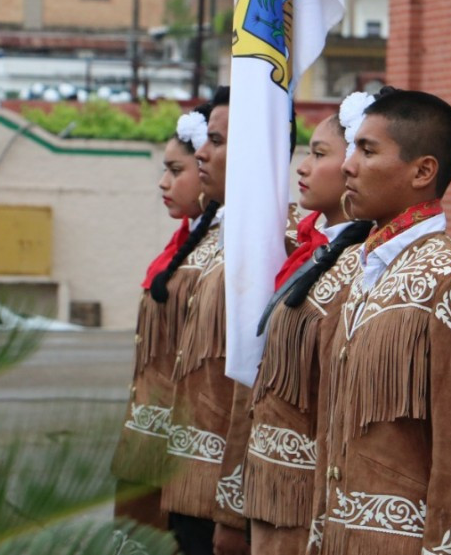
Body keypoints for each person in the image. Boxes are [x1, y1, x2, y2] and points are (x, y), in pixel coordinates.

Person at [308, 88, 451, 555]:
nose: (347, 165)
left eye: (367, 150)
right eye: (352, 147)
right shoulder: (363, 269)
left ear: (423, 171)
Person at [243, 108, 372, 554]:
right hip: (268, 475)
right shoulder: (308, 249)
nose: (303, 166)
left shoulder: (367, 266)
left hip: (313, 486)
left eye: (319, 153)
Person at [110, 104, 214, 529]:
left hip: (184, 450)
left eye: (176, 169)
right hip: (148, 443)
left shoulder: (230, 249)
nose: (163, 182)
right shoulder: (185, 242)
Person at [161, 87, 249, 555]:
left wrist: (234, 508)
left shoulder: (275, 245)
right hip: (186, 470)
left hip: (228, 485)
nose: (202, 153)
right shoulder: (214, 239)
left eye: (216, 140)